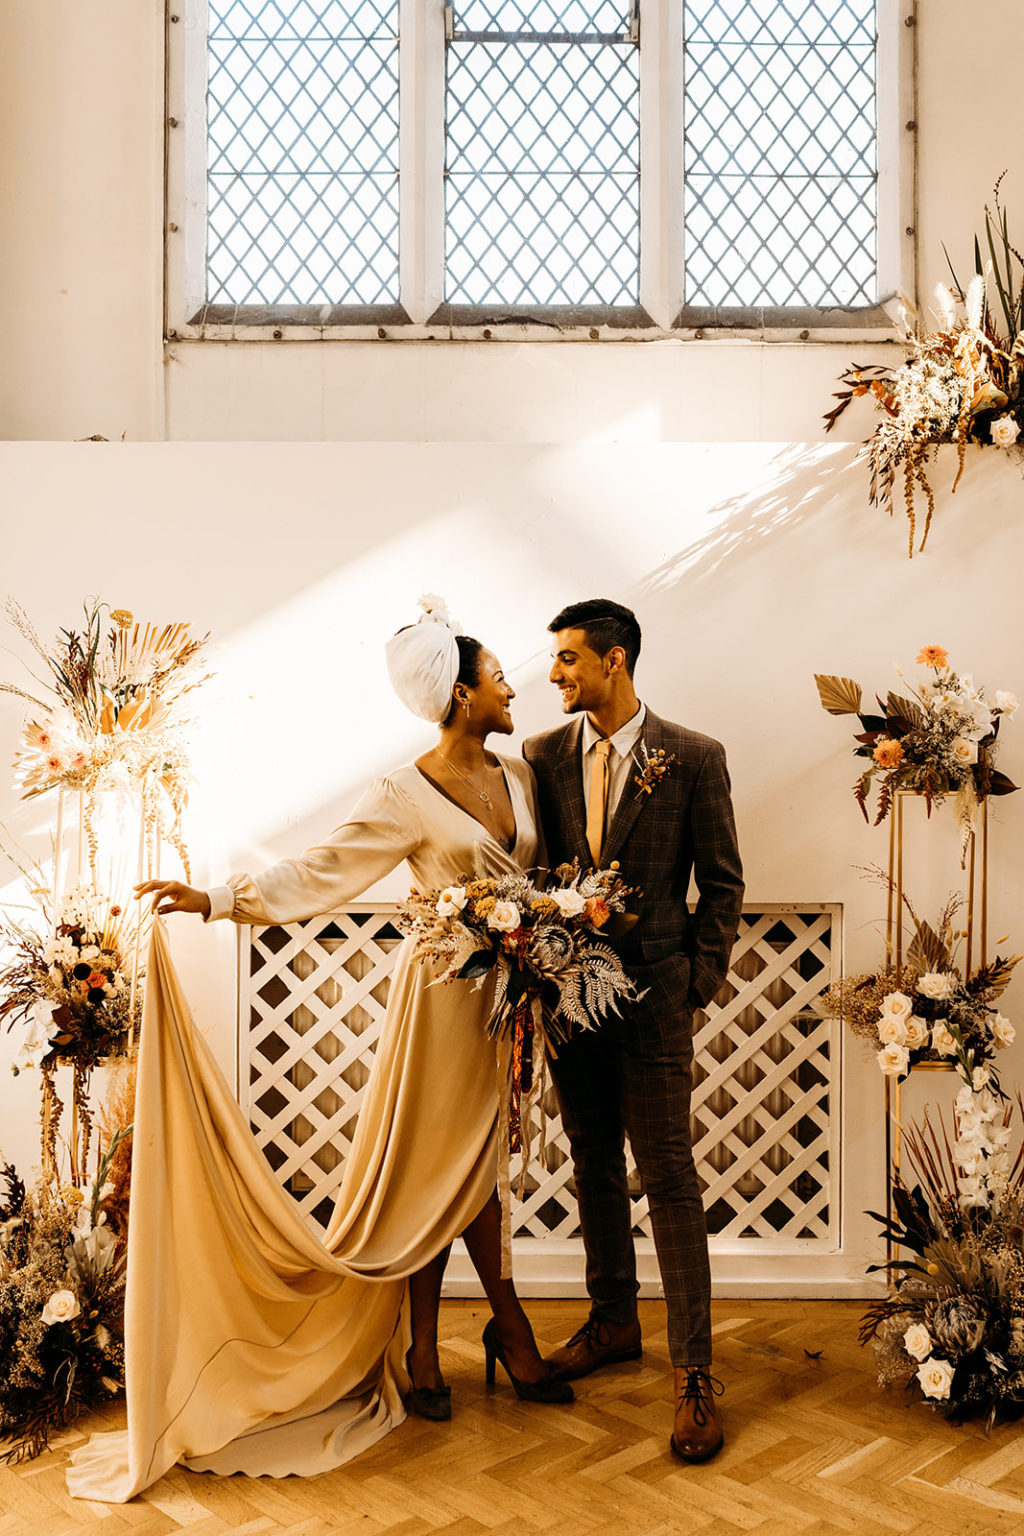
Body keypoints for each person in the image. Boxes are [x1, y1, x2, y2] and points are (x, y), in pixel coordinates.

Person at [66, 598, 569, 1505]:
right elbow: (322, 869)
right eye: (497, 677)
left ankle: (448, 1346)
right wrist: (217, 899)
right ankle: (486, 1337)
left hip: (510, 1000)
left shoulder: (523, 777)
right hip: (442, 1002)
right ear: (460, 695)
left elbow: (542, 879)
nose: (511, 687)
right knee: (432, 1173)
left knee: (477, 1171)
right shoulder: (403, 793)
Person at [523, 598, 743, 1464]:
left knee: (670, 1179)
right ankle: (614, 1320)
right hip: (570, 1005)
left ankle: (694, 1372)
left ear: (615, 660)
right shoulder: (541, 757)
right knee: (591, 1167)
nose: (554, 676)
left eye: (569, 660)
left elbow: (721, 883)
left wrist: (696, 983)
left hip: (655, 1003)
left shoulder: (692, 756)